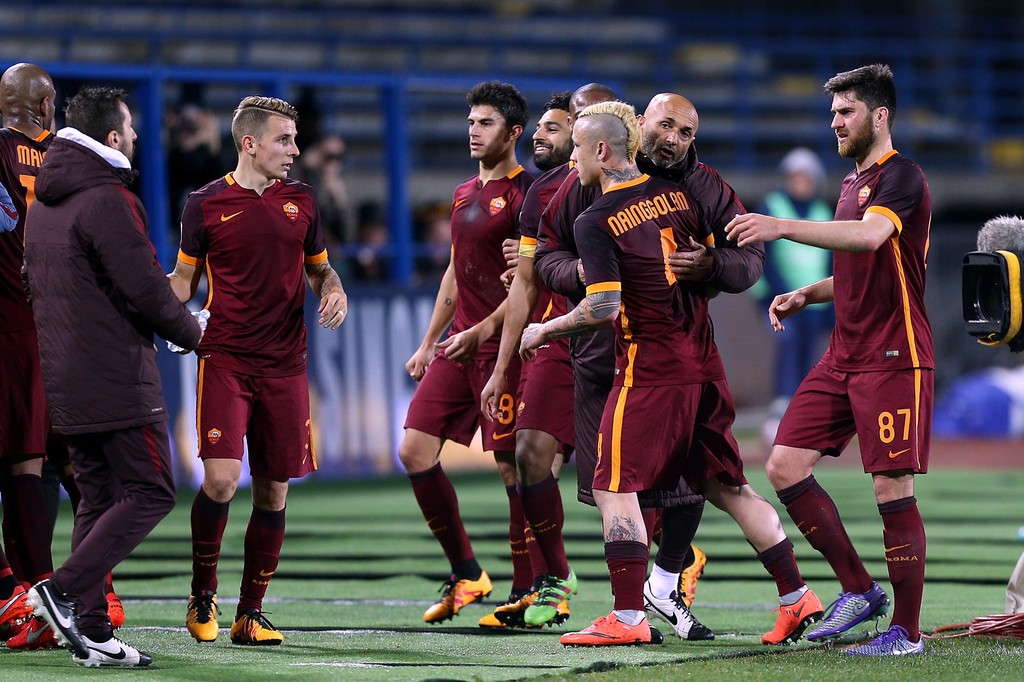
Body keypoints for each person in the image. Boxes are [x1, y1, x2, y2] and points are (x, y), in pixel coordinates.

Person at [726, 63, 933, 657]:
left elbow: (870, 239)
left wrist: (779, 227)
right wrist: (808, 293)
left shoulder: (903, 177)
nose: (835, 122)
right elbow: (856, 266)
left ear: (880, 114)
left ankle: (908, 635)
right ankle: (860, 591)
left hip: (896, 354)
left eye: (846, 112)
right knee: (785, 463)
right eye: (833, 112)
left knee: (891, 486)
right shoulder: (849, 184)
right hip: (845, 352)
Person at [521, 100, 725, 646]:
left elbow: (605, 306)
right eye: (668, 127)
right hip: (669, 358)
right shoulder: (671, 195)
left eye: (685, 131)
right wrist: (591, 269)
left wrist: (543, 330)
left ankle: (634, 608)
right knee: (724, 483)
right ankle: (794, 594)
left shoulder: (678, 191)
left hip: (643, 362)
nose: (674, 139)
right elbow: (545, 260)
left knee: (626, 485)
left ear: (604, 146)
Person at [23, 85, 204, 668]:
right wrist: (196, 332)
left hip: (65, 373)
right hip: (114, 373)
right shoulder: (107, 198)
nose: (134, 136)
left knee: (98, 498)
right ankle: (64, 589)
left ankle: (94, 629)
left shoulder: (46, 200)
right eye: (128, 128)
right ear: (110, 138)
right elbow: (147, 288)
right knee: (152, 490)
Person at [168, 95, 348, 646]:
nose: (295, 150)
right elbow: (182, 282)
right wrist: (159, 317)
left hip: (286, 366)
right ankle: (203, 592)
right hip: (224, 359)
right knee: (221, 481)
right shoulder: (204, 204)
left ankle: (250, 613)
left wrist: (334, 289)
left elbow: (321, 271)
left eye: (294, 139)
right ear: (249, 144)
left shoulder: (304, 202)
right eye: (283, 140)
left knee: (274, 493)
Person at [400, 81, 534, 624]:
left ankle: (528, 589)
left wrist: (481, 331)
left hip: (502, 346)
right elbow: (456, 271)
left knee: (513, 470)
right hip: (459, 344)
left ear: (513, 132)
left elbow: (529, 286)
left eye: (486, 123)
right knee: (413, 451)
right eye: (472, 122)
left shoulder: (530, 194)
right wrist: (429, 342)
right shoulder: (461, 194)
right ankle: (467, 571)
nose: (474, 132)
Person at [0, 62, 117, 652]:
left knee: (22, 460)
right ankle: (92, 592)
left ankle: (26, 591)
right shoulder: (80, 159)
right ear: (48, 107)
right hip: (74, 326)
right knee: (79, 461)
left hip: (12, 325)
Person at [478, 91, 578, 629]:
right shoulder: (539, 193)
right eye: (538, 128)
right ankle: (553, 579)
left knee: (636, 478)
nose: (540, 136)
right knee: (529, 454)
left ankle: (669, 567)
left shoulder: (630, 186)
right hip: (557, 340)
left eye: (553, 129)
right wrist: (500, 364)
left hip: (623, 344)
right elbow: (523, 283)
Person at [749, 147, 834, 433]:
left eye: (806, 178)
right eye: (796, 177)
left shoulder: (823, 211)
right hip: (781, 298)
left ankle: (802, 411)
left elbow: (831, 260)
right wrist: (782, 294)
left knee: (810, 353)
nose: (801, 183)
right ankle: (782, 407)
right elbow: (764, 257)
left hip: (814, 303)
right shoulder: (772, 206)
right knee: (788, 344)